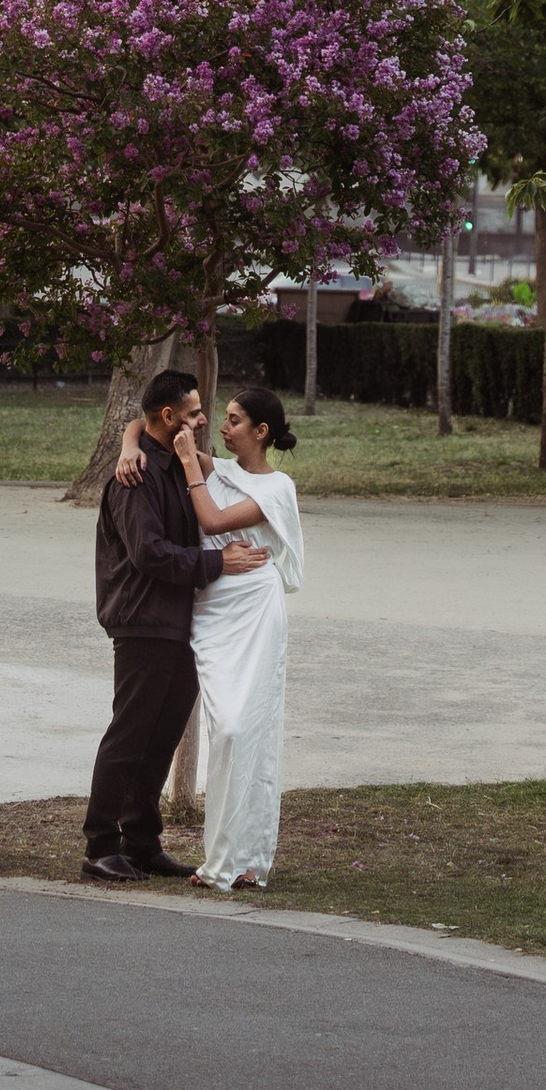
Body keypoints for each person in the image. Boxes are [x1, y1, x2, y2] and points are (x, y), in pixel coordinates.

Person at [82, 365, 268, 885]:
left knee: (160, 739)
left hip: (182, 621)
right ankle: (100, 846)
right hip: (143, 619)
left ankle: (141, 843)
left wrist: (132, 434)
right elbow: (149, 553)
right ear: (168, 417)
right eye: (193, 413)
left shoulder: (173, 463)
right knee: (129, 736)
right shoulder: (134, 475)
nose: (204, 419)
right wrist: (217, 564)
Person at [115, 380, 303, 892]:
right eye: (221, 417)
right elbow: (149, 422)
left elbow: (213, 519)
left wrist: (194, 469)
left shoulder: (275, 488)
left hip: (254, 609)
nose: (220, 425)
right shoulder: (218, 468)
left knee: (248, 729)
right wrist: (131, 444)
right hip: (211, 609)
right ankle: (220, 855)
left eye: (234, 420)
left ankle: (243, 860)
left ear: (261, 432)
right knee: (223, 730)